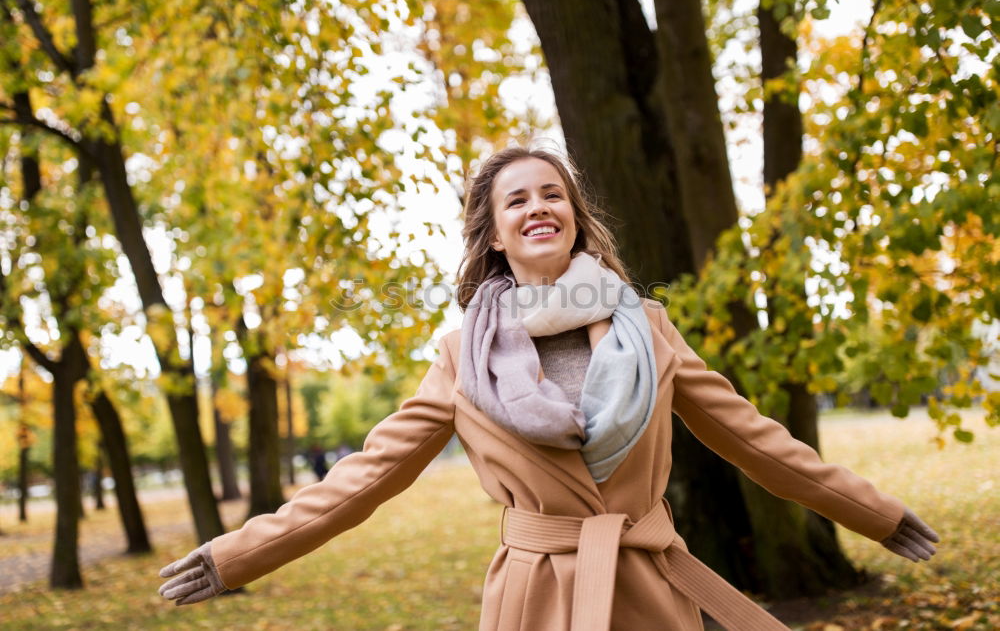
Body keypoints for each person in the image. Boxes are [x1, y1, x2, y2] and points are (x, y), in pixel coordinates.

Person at [158, 147, 939, 630]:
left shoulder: (649, 327)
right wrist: (239, 555)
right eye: (517, 199)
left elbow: (754, 437)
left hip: (651, 586)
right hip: (537, 602)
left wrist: (872, 512)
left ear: (575, 216)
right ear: (495, 234)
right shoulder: (462, 355)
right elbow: (363, 480)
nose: (539, 207)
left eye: (553, 193)